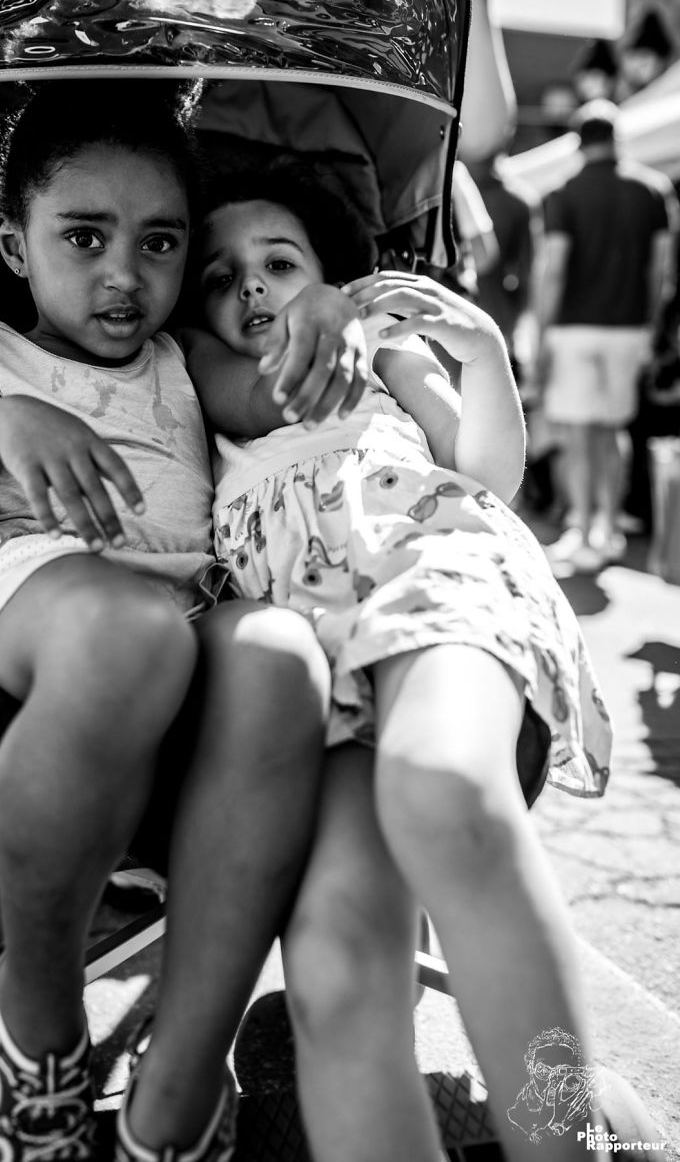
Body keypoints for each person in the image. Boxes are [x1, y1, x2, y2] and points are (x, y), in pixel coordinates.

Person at [0, 82, 372, 1162]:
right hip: (42, 610)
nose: (123, 273)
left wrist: (330, 309)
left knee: (281, 653)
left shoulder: (184, 359)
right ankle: (38, 1014)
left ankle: (182, 1073)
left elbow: (291, 400)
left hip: (186, 612)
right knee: (125, 635)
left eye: (158, 243)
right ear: (13, 242)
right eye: (84, 236)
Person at [182, 168, 615, 1162]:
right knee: (333, 958)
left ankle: (566, 1132)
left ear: (330, 274)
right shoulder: (197, 379)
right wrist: (315, 305)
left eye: (277, 265)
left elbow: (487, 474)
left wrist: (485, 354)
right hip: (319, 665)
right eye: (219, 277)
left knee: (443, 788)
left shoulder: (383, 348)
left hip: (437, 572)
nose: (249, 289)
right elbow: (248, 381)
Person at [536, 99, 679, 575]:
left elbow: (555, 268)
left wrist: (542, 331)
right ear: (617, 138)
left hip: (574, 327)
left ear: (579, 142)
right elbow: (659, 270)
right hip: (628, 327)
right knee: (612, 429)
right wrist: (652, 324)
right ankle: (609, 528)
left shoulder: (563, 193)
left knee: (578, 433)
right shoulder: (653, 190)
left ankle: (582, 530)